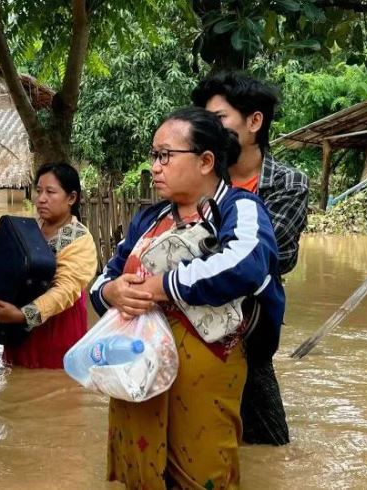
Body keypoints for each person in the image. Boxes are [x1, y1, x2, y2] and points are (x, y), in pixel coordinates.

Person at [90, 107, 285, 489]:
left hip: (208, 367)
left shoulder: (239, 208)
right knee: (142, 468)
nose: (155, 167)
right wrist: (111, 292)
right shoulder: (148, 218)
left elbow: (245, 264)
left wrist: (162, 286)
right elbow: (105, 277)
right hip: (138, 370)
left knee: (202, 470)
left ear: (206, 161)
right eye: (153, 155)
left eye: (166, 155)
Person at [193, 72, 309, 445]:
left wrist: (205, 250)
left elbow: (276, 256)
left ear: (254, 121)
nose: (210, 128)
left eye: (220, 119)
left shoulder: (287, 183)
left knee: (270, 446)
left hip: (251, 328)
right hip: (191, 320)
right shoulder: (199, 176)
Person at [0, 162, 98, 369]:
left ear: (71, 198)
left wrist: (24, 315)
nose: (41, 199)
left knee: (55, 386)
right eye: (39, 191)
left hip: (56, 328)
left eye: (50, 192)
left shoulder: (79, 238)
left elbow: (65, 290)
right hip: (16, 327)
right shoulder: (28, 230)